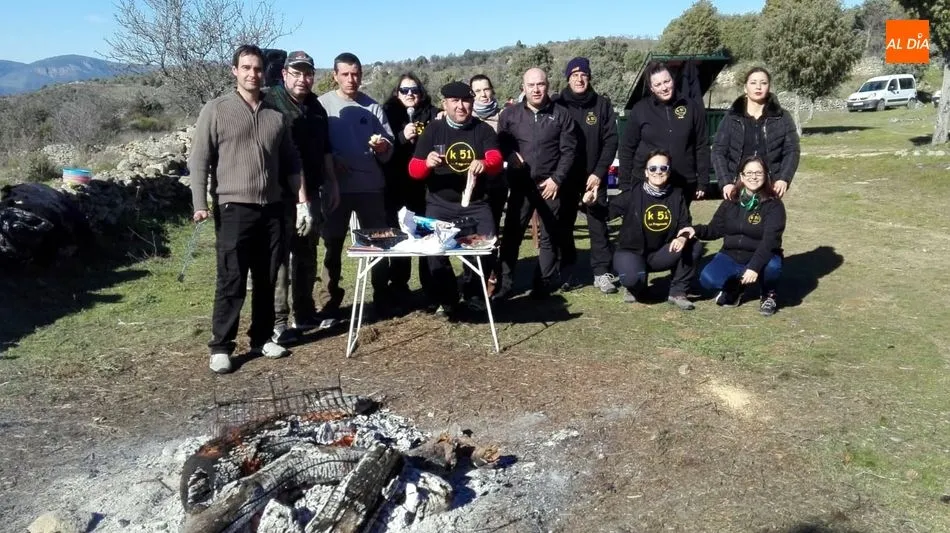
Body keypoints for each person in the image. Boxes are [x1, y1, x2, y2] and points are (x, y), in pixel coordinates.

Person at [189, 44, 309, 374]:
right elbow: (199, 160)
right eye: (246, 68)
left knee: (268, 276)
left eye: (257, 69)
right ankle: (221, 346)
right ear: (234, 71)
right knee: (232, 277)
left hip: (272, 208)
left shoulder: (276, 115)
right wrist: (200, 203)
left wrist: (302, 202)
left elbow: (291, 161)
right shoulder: (216, 110)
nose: (252, 74)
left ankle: (261, 337)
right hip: (233, 207)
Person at [263, 50, 340, 342]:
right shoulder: (271, 103)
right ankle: (279, 320)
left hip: (314, 189)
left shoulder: (316, 106)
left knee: (307, 251)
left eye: (308, 74)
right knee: (280, 256)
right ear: (284, 75)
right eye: (296, 73)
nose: (303, 79)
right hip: (280, 193)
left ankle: (305, 312)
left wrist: (332, 181)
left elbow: (325, 148)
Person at [407, 81, 503, 314]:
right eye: (455, 101)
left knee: (487, 246)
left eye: (466, 101)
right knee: (435, 252)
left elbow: (497, 159)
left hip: (476, 203)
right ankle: (448, 297)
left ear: (472, 103)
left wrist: (485, 163)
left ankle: (474, 294)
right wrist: (427, 164)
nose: (461, 106)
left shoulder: (482, 130)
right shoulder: (433, 130)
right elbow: (413, 169)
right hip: (440, 203)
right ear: (445, 104)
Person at [318, 52, 394, 320]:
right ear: (335, 76)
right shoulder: (322, 106)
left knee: (379, 244)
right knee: (333, 244)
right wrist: (331, 162)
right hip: (336, 188)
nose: (352, 79)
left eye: (356, 74)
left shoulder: (373, 108)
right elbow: (316, 146)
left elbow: (388, 149)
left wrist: (384, 146)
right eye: (346, 74)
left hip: (370, 186)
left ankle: (381, 297)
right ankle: (329, 302)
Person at [494, 67, 577, 300]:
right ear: (523, 88)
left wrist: (557, 179)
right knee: (512, 235)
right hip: (520, 186)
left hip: (550, 185)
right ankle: (505, 284)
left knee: (551, 236)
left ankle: (543, 283)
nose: (536, 89)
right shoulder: (509, 115)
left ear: (547, 85)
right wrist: (509, 155)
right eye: (531, 85)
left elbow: (569, 151)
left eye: (540, 84)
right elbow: (501, 142)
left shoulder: (561, 115)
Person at [683, 156, 786, 316]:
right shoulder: (731, 200)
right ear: (742, 176)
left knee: (773, 267)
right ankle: (737, 287)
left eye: (758, 173)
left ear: (766, 175)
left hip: (761, 255)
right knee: (708, 279)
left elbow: (770, 241)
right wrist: (695, 230)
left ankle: (768, 294)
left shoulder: (774, 204)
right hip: (731, 255)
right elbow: (715, 229)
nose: (753, 177)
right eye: (749, 173)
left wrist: (754, 267)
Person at [554, 57, 619, 294]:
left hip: (594, 178)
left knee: (598, 225)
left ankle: (602, 273)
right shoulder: (557, 103)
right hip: (566, 178)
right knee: (564, 226)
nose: (579, 79)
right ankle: (567, 271)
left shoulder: (601, 104)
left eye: (583, 75)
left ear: (589, 78)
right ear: (568, 78)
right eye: (574, 75)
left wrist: (599, 173)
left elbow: (611, 140)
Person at [609, 150, 699, 310]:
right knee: (632, 278)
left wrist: (683, 237)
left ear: (669, 171)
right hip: (632, 252)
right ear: (646, 172)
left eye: (663, 168)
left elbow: (686, 224)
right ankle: (635, 286)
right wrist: (592, 203)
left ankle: (678, 291)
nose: (658, 172)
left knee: (694, 245)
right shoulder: (632, 194)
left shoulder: (677, 195)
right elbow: (606, 213)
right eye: (653, 168)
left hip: (661, 253)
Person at [382, 73, 439, 308]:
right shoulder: (387, 114)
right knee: (400, 237)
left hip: (425, 186)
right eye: (404, 90)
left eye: (414, 89)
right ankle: (399, 287)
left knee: (427, 235)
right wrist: (401, 137)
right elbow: (383, 149)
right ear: (397, 93)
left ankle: (430, 287)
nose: (410, 94)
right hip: (396, 185)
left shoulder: (433, 114)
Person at [618, 62, 710, 206]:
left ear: (673, 80)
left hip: (683, 182)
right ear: (651, 88)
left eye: (667, 81)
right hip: (647, 182)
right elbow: (627, 148)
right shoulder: (640, 109)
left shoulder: (691, 107)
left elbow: (701, 145)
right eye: (658, 84)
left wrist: (703, 181)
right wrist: (624, 184)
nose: (664, 87)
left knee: (679, 226)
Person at [712, 67, 800, 200]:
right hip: (737, 187)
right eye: (753, 83)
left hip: (770, 187)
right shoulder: (732, 118)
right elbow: (718, 151)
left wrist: (783, 179)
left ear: (769, 87)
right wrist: (726, 182)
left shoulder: (782, 117)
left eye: (763, 83)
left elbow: (792, 150)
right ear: (745, 88)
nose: (758, 87)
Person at [469, 74, 508, 292]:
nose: (483, 95)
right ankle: (472, 280)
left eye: (487, 89)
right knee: (470, 236)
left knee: (490, 234)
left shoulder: (503, 116)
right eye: (478, 91)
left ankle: (492, 277)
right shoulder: (465, 119)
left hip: (496, 184)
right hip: (471, 187)